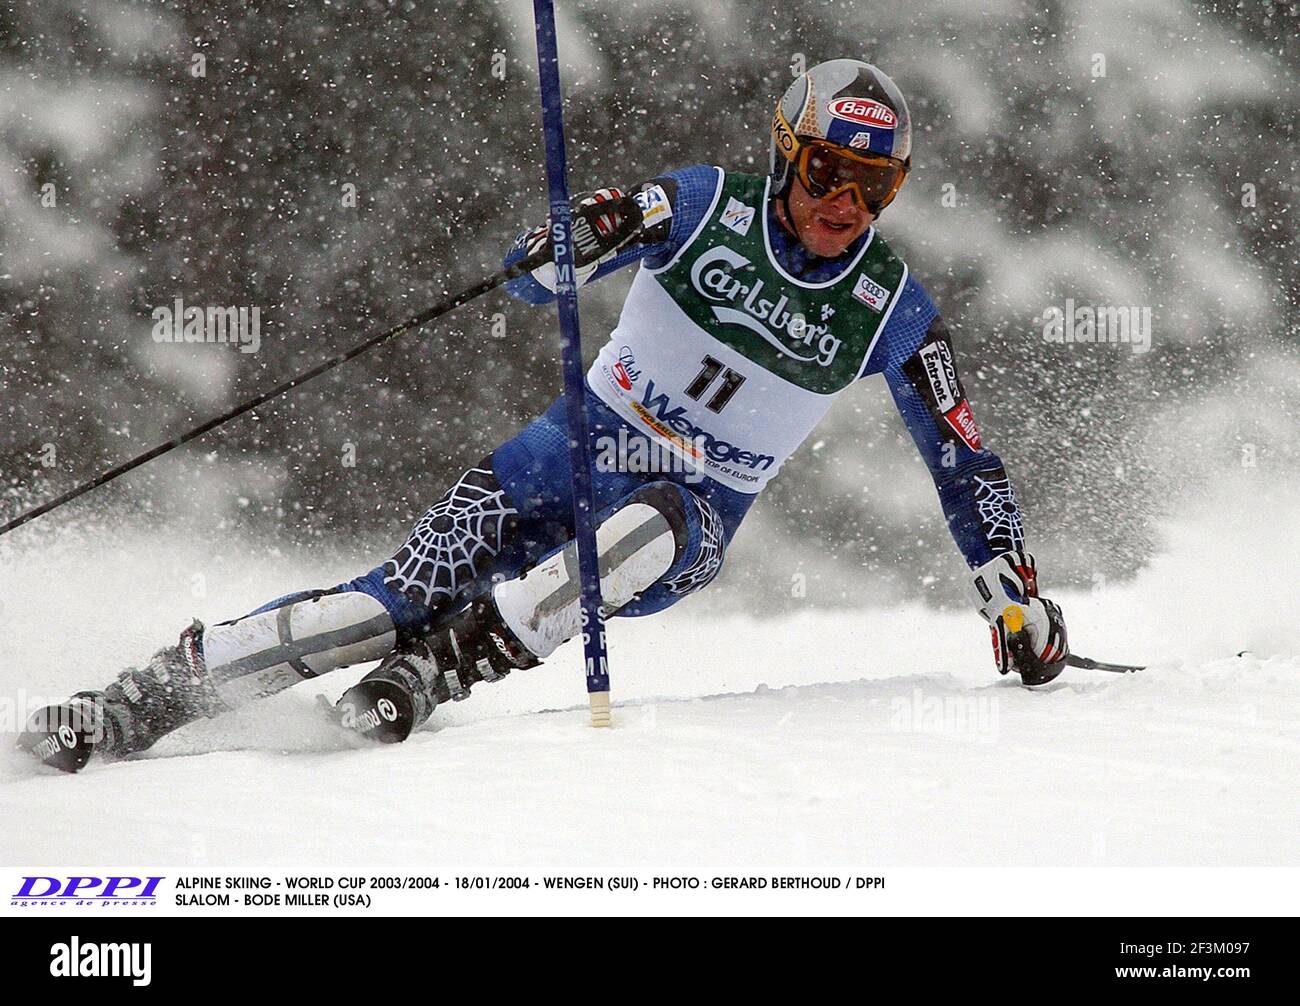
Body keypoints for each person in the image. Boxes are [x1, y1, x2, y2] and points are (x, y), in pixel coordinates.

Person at [20, 59, 1068, 773]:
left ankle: (443, 670)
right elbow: (541, 270)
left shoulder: (889, 306)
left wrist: (1012, 597)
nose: (844, 204)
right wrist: (565, 240)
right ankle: (128, 705)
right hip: (555, 459)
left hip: (685, 522)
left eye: (872, 186)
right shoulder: (704, 204)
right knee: (368, 610)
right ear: (789, 153)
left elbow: (964, 460)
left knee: (644, 525)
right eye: (828, 172)